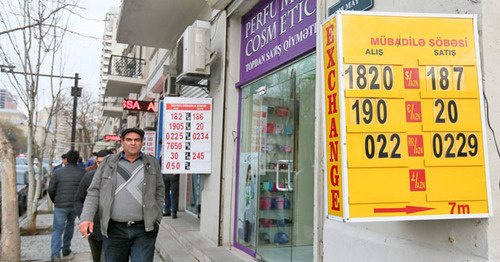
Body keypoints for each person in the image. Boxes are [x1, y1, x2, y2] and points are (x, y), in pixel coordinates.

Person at [79, 128, 165, 262]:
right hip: (114, 230)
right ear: (122, 142)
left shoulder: (152, 163)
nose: (133, 143)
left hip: (144, 229)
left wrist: (157, 215)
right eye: (129, 140)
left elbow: (160, 190)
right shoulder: (108, 163)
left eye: (137, 140)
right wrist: (86, 217)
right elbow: (94, 191)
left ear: (142, 142)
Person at [74, 149, 112, 262]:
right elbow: (78, 200)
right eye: (99, 162)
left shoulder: (119, 177)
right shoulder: (89, 177)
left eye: (105, 162)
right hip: (94, 227)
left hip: (114, 228)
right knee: (97, 257)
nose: (102, 165)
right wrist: (85, 218)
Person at [48, 150, 85, 261]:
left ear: (66, 160)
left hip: (60, 205)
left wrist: (56, 201)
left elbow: (51, 189)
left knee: (57, 230)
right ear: (78, 160)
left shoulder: (58, 172)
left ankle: (55, 254)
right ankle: (66, 248)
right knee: (70, 225)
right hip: (75, 205)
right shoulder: (83, 172)